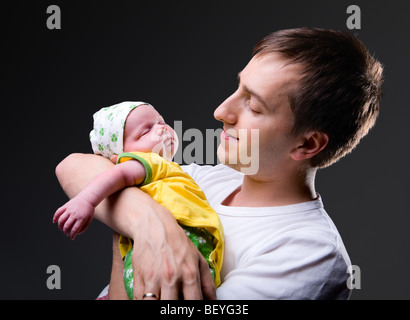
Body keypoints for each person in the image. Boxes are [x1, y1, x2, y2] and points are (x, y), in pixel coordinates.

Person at [55, 28, 384, 300]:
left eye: (254, 106)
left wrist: (124, 222)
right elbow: (73, 166)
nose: (221, 111)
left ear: (307, 144)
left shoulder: (308, 254)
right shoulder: (203, 179)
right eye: (237, 87)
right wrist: (150, 226)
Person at [53, 101, 224, 300]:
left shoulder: (169, 171)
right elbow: (118, 175)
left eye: (161, 121)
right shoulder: (149, 163)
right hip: (178, 246)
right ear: (120, 156)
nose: (161, 129)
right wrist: (87, 200)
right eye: (145, 132)